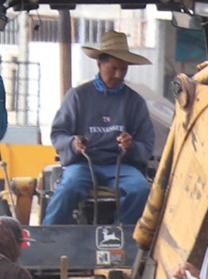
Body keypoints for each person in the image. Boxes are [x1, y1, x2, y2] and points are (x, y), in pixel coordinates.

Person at [45, 31, 155, 227]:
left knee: (140, 189)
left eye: (123, 69)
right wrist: (73, 143)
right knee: (68, 187)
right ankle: (47, 236)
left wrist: (131, 145)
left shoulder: (134, 102)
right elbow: (58, 134)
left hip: (121, 166)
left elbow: (146, 144)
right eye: (114, 68)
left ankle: (119, 236)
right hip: (83, 165)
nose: (119, 74)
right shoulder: (78, 96)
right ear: (99, 64)